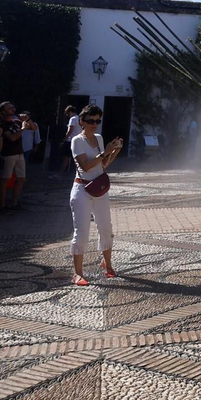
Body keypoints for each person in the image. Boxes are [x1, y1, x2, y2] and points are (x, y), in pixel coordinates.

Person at [69, 103, 123, 285]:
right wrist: (105, 151)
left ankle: (107, 264)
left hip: (99, 188)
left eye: (98, 120)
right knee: (82, 231)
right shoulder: (77, 140)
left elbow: (103, 164)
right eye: (91, 120)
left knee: (106, 227)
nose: (94, 124)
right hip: (82, 190)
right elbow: (85, 166)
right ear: (81, 122)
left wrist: (115, 151)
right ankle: (77, 273)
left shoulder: (99, 138)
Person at [0, 101, 26, 211]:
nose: (12, 109)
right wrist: (23, 128)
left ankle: (15, 204)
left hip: (19, 153)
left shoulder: (16, 122)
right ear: (3, 111)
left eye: (13, 107)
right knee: (5, 180)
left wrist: (26, 119)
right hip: (8, 154)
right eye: (9, 108)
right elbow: (12, 137)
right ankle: (2, 205)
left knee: (21, 179)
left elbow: (33, 127)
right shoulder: (2, 124)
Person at [54, 105, 80, 179]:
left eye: (67, 114)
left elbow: (70, 130)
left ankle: (60, 174)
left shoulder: (72, 119)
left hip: (70, 141)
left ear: (70, 112)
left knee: (66, 158)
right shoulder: (80, 118)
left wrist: (64, 139)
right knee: (76, 159)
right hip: (78, 141)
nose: (67, 116)